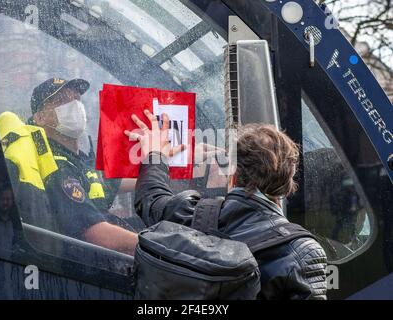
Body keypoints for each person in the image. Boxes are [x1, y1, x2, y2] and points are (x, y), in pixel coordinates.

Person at [126, 110, 328, 299]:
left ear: (232, 176)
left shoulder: (190, 214)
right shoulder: (302, 252)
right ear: (287, 186)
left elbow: (151, 199)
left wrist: (155, 155)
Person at [27, 77, 142, 255]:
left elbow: (115, 182)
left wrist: (168, 166)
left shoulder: (76, 159)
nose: (74, 106)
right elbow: (97, 234)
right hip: (95, 264)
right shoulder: (56, 165)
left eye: (76, 99)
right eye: (62, 100)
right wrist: (159, 250)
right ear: (40, 117)